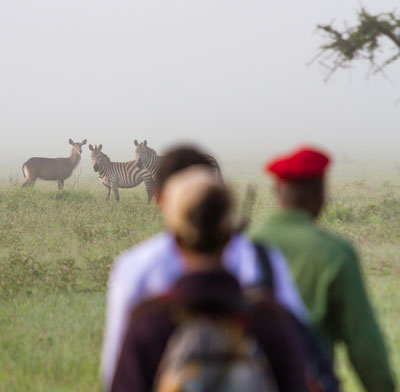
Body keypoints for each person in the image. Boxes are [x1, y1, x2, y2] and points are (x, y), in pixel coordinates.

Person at [101, 145, 308, 391]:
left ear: (175, 237)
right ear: (230, 230)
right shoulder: (269, 317)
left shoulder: (149, 323)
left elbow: (116, 374)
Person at [249, 146, 396, 391]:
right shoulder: (335, 252)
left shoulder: (241, 244)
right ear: (320, 193)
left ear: (277, 191)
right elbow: (365, 348)